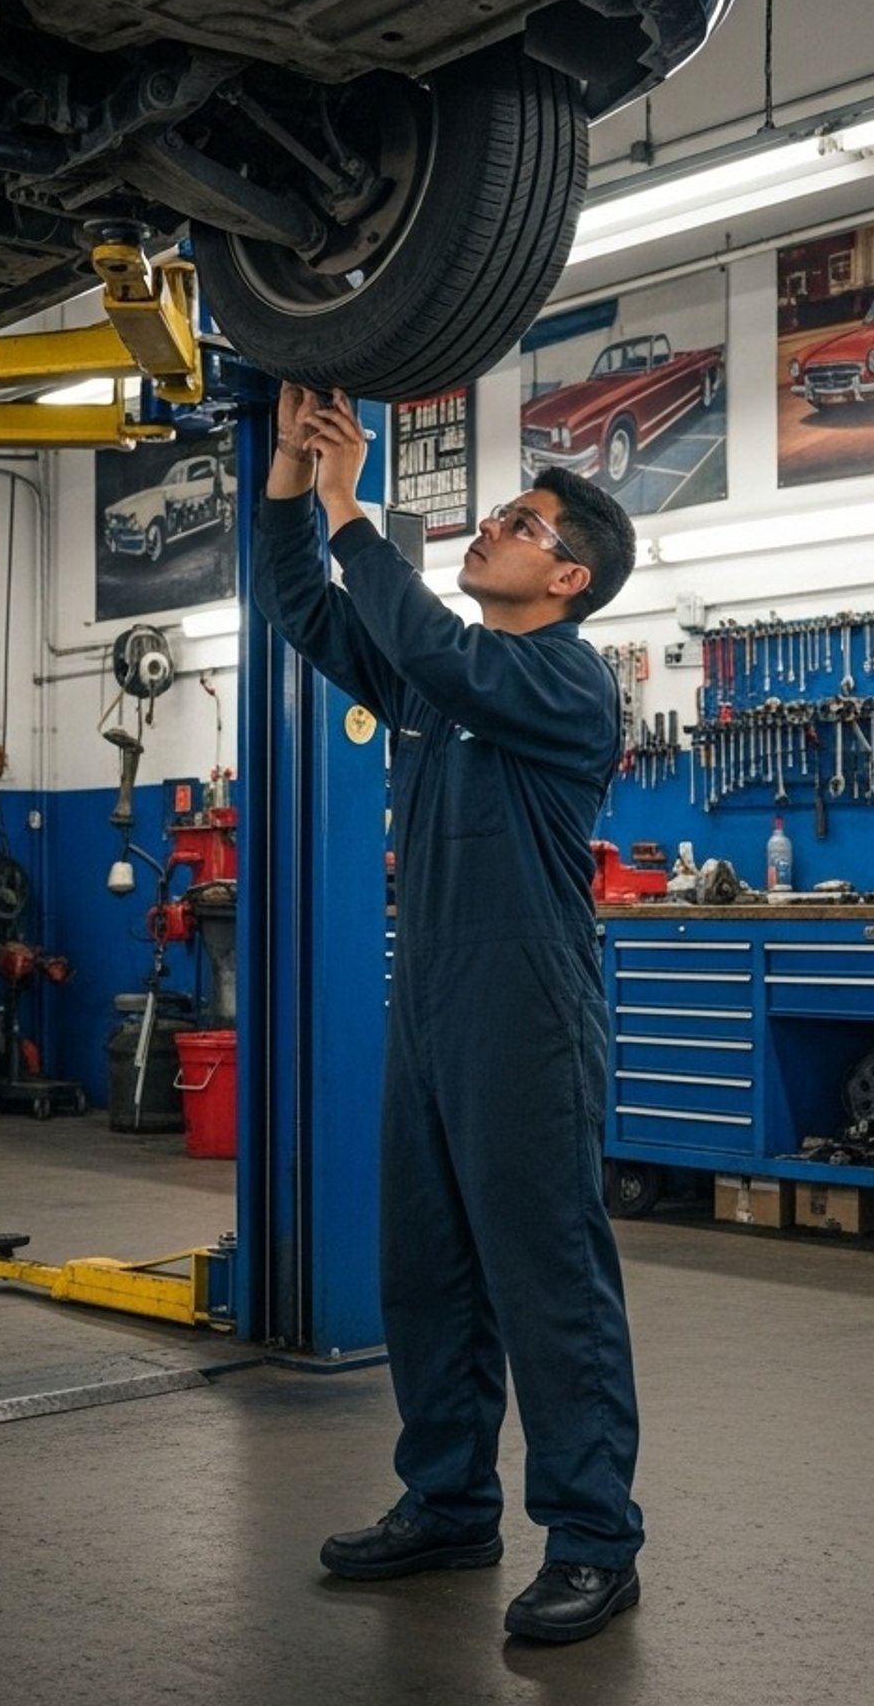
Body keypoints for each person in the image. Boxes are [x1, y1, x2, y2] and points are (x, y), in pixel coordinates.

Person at [251, 383, 644, 1645]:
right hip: (425, 996)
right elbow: (308, 610)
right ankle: (448, 1503)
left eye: (518, 524)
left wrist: (352, 512)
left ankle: (592, 1541)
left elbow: (430, 646)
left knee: (547, 1281)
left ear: (569, 576)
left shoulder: (561, 683)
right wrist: (284, 496)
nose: (491, 529)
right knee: (426, 1272)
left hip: (526, 1008)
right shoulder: (445, 678)